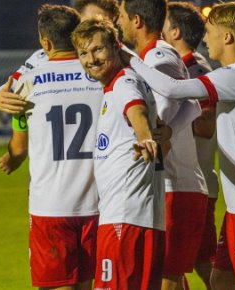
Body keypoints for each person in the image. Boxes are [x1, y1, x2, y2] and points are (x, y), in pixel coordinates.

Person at [129, 0, 235, 290]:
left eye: (210, 31)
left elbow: (172, 89)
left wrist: (127, 58)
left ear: (228, 37)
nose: (205, 38)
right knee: (221, 280)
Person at [0, 4, 103, 290]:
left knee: (56, 284)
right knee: (85, 284)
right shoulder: (101, 75)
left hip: (51, 207)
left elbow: (19, 149)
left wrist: (12, 158)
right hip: (97, 203)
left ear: (45, 42)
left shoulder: (28, 82)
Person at [117, 0, 208, 290]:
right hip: (172, 188)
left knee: (165, 280)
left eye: (120, 16)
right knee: (170, 278)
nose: (118, 24)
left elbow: (160, 127)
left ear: (137, 20)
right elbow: (189, 110)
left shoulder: (159, 60)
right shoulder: (152, 59)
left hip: (173, 188)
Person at [71, 18, 165, 290]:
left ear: (115, 47)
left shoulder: (123, 83)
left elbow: (136, 111)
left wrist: (145, 136)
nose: (91, 59)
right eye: (83, 53)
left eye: (98, 50)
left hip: (123, 218)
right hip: (145, 217)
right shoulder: (128, 82)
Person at [162, 1, 219, 290]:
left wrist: (168, 121)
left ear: (175, 31)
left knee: (204, 263)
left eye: (163, 23)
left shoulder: (195, 69)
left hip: (195, 186)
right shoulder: (180, 66)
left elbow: (207, 125)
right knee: (176, 264)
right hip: (184, 184)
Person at [0, 0, 118, 114]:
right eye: (89, 22)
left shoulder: (115, 57)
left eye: (102, 24)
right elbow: (10, 86)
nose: (94, 29)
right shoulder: (40, 57)